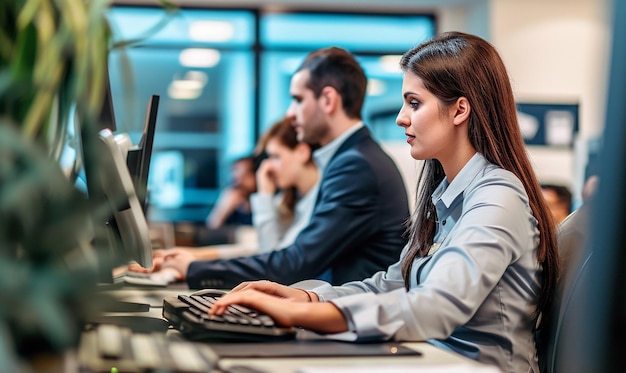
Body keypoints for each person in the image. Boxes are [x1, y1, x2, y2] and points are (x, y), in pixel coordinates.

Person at [208, 32, 560, 373]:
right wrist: (309, 299)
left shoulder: (498, 197)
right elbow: (395, 283)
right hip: (429, 359)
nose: (400, 117)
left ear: (459, 110)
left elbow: (436, 307)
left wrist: (301, 316)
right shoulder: (448, 198)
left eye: (415, 103)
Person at [159, 46, 410, 289]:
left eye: (298, 99)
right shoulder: (350, 158)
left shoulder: (355, 166)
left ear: (328, 100)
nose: (290, 113)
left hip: (351, 321)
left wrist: (195, 269)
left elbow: (296, 263)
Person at [140, 117, 320, 267]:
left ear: (302, 152)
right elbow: (255, 249)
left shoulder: (317, 201)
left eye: (276, 157)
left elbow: (270, 257)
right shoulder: (291, 200)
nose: (268, 167)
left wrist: (264, 195)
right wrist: (192, 255)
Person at [205, 155, 257, 229]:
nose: (239, 183)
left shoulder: (267, 203)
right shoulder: (231, 208)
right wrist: (221, 210)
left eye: (244, 176)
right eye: (235, 179)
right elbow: (210, 230)